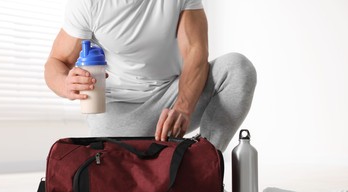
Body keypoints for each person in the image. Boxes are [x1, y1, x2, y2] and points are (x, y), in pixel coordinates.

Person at [45, 0, 256, 154]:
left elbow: (195, 53)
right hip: (119, 108)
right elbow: (57, 61)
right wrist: (66, 84)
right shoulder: (88, 3)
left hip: (173, 98)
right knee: (120, 183)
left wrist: (183, 107)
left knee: (237, 68)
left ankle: (205, 168)